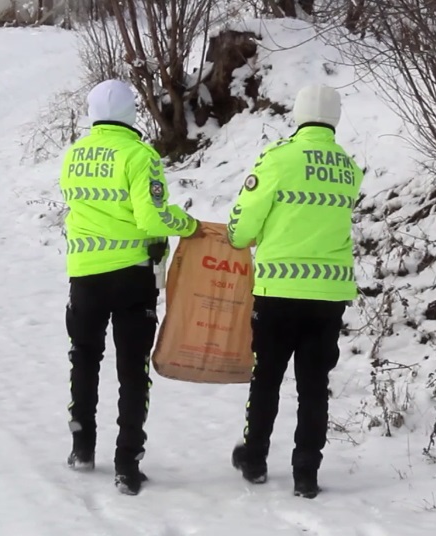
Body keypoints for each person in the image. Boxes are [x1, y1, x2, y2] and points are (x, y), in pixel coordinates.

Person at [60, 79, 202, 496]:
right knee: (132, 371)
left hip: (84, 273)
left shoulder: (74, 155)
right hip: (132, 276)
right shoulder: (140, 156)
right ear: (131, 113)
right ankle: (127, 464)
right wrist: (188, 225)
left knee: (84, 358)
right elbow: (151, 217)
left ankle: (82, 448)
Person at [225, 84, 364, 499]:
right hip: (328, 295)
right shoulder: (348, 168)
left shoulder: (277, 158)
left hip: (279, 291)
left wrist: (237, 236)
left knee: (266, 378)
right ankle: (306, 472)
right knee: (314, 385)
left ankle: (255, 458)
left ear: (298, 114)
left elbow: (243, 224)